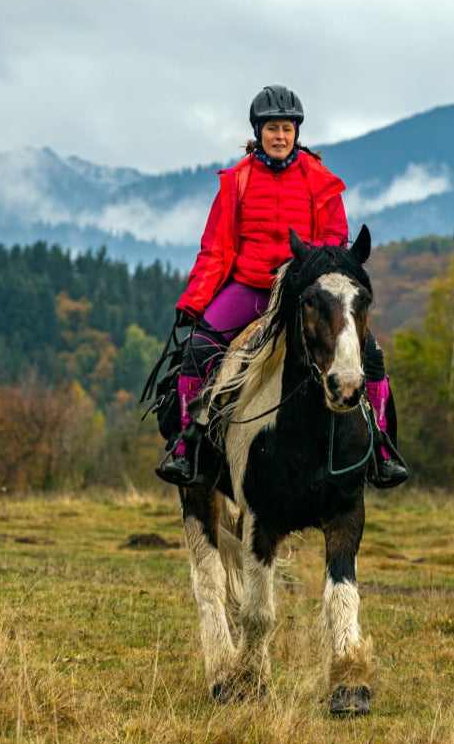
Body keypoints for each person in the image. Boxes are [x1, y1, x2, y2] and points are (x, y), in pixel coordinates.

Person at [156, 85, 408, 489]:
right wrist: (195, 299)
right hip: (250, 287)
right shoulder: (235, 182)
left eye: (286, 128)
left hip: (302, 292)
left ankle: (381, 448)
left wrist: (311, 280)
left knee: (371, 355)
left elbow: (333, 239)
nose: (279, 136)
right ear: (258, 132)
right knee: (200, 349)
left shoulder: (320, 180)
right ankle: (188, 446)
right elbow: (216, 249)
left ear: (297, 133)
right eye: (271, 128)